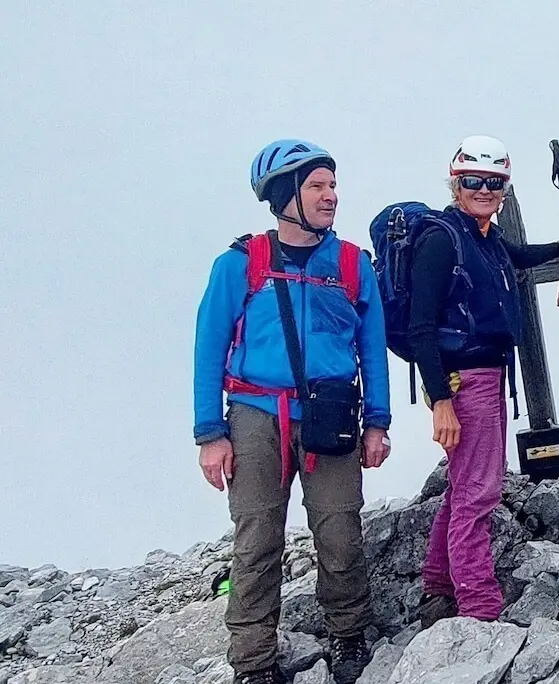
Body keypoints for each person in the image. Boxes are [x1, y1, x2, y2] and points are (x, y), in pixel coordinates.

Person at [193, 139, 391, 684]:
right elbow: (209, 347)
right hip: (255, 415)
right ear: (284, 196)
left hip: (331, 415)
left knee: (340, 529)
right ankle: (254, 663)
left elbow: (371, 348)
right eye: (317, 187)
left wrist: (378, 421)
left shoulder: (352, 265)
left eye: (333, 185)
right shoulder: (241, 264)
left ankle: (349, 636)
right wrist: (210, 432)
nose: (332, 196)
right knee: (257, 536)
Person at [409, 135, 559, 629]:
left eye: (494, 182)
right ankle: (479, 607)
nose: (485, 190)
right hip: (465, 382)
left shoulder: (484, 236)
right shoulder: (443, 239)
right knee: (480, 492)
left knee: (464, 485)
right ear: (456, 183)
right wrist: (440, 400)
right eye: (474, 182)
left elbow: (523, 255)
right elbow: (421, 326)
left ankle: (438, 586)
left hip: (485, 376)